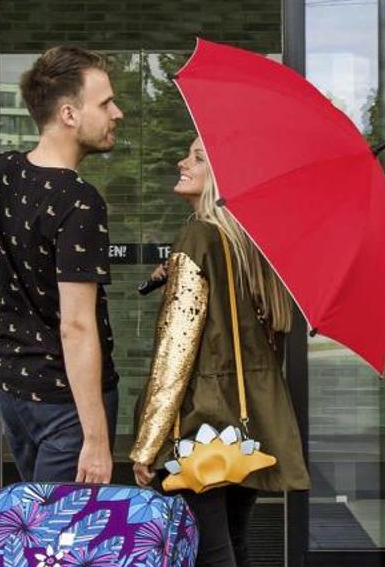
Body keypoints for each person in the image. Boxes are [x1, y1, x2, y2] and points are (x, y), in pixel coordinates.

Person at [131, 137, 310, 567]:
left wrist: (146, 444)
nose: (182, 162)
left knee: (209, 551)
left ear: (224, 176)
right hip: (252, 419)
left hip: (205, 424)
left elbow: (175, 352)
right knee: (234, 541)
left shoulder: (198, 236)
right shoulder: (253, 245)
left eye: (197, 157)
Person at [0, 46, 126, 484]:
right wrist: (96, 439)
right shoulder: (80, 201)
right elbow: (76, 327)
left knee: (38, 516)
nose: (118, 113)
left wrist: (24, 332)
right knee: (61, 526)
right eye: (106, 103)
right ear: (69, 114)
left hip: (13, 390)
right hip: (65, 403)